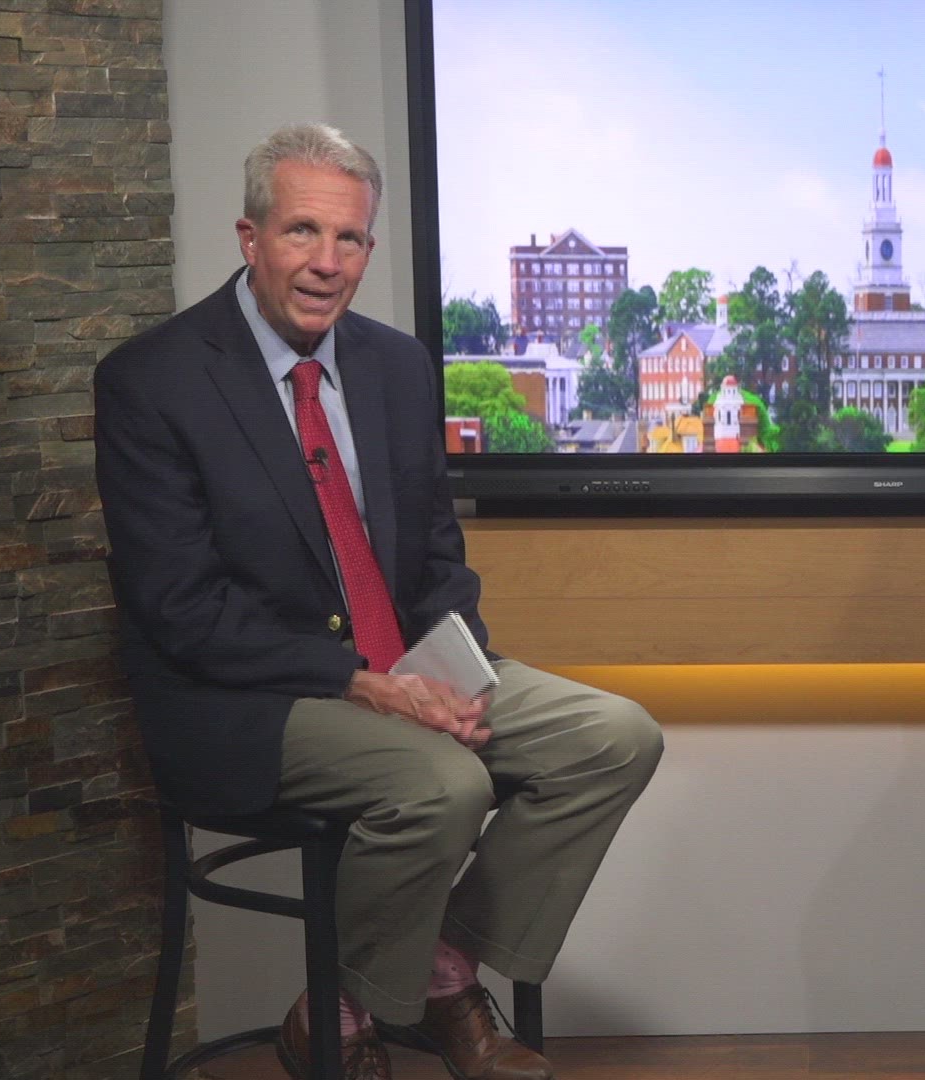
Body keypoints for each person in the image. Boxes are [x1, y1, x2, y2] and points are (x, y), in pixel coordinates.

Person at [95, 123, 664, 1080]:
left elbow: (437, 558)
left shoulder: (397, 367)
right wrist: (363, 685)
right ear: (249, 237)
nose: (327, 263)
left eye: (350, 239)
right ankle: (400, 1008)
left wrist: (458, 673)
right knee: (443, 785)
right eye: (301, 234)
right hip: (248, 700)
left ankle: (394, 988)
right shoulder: (152, 382)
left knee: (615, 736)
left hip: (399, 664)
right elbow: (180, 610)